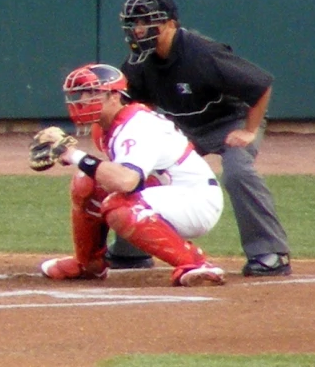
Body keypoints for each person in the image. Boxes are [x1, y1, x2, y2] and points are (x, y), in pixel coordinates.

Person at [116, 0, 294, 277]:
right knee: (139, 168)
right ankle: (130, 251)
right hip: (182, 128)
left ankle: (271, 252)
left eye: (146, 22)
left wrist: (249, 131)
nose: (139, 30)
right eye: (134, 23)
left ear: (170, 23)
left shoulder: (203, 54)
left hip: (229, 122)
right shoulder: (139, 62)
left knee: (238, 171)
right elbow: (136, 102)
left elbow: (262, 84)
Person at [33, 61, 226, 286]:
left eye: (93, 93)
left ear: (115, 96)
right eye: (82, 94)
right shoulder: (106, 128)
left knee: (118, 206)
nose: (84, 100)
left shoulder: (138, 125)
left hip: (196, 201)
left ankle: (195, 263)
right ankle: (89, 265)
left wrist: (73, 155)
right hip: (167, 192)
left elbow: (126, 181)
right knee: (86, 181)